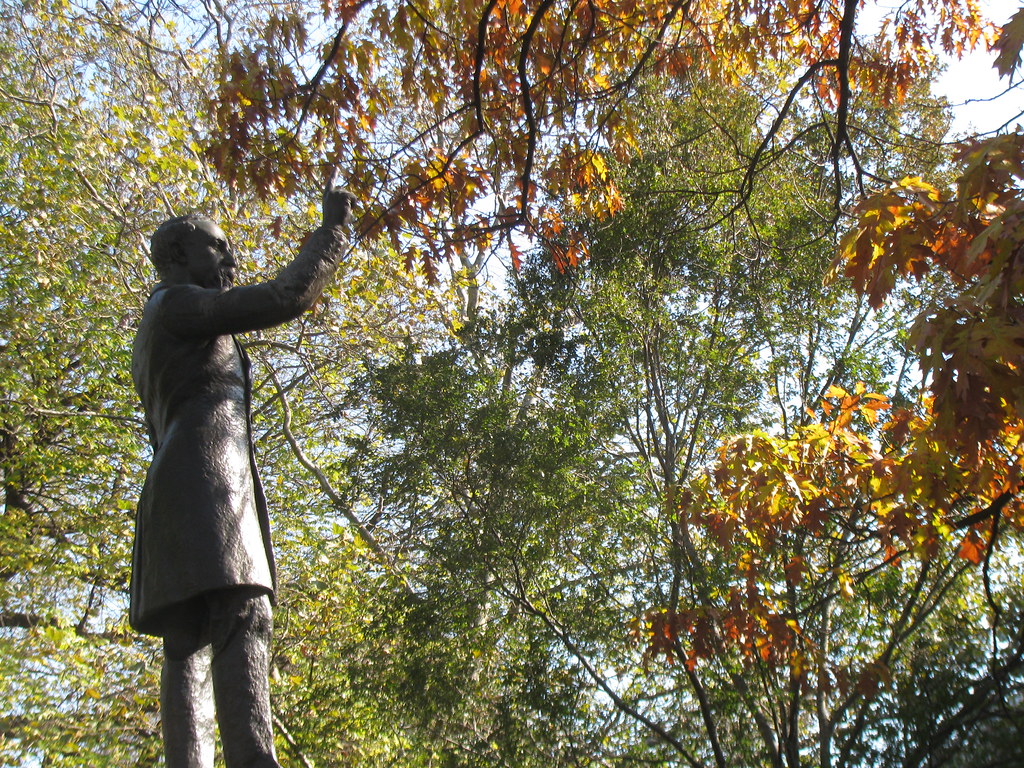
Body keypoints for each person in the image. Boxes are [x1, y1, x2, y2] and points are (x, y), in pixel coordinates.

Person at [130, 180, 355, 768]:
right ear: (179, 255)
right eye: (218, 246)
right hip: (206, 482)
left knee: (186, 640)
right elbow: (284, 296)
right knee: (244, 613)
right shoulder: (176, 304)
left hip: (175, 487)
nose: (230, 257)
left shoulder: (155, 324)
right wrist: (331, 232)